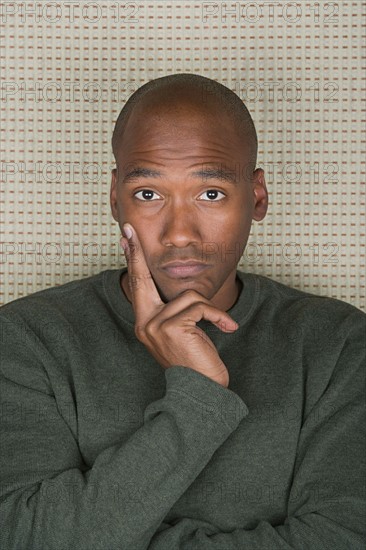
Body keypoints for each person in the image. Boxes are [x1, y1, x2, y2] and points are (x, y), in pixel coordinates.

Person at [0, 73, 364, 550]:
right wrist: (198, 402)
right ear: (115, 198)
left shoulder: (339, 344)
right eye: (148, 194)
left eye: (210, 193)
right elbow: (23, 537)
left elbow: (344, 536)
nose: (179, 234)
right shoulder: (26, 338)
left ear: (256, 198)